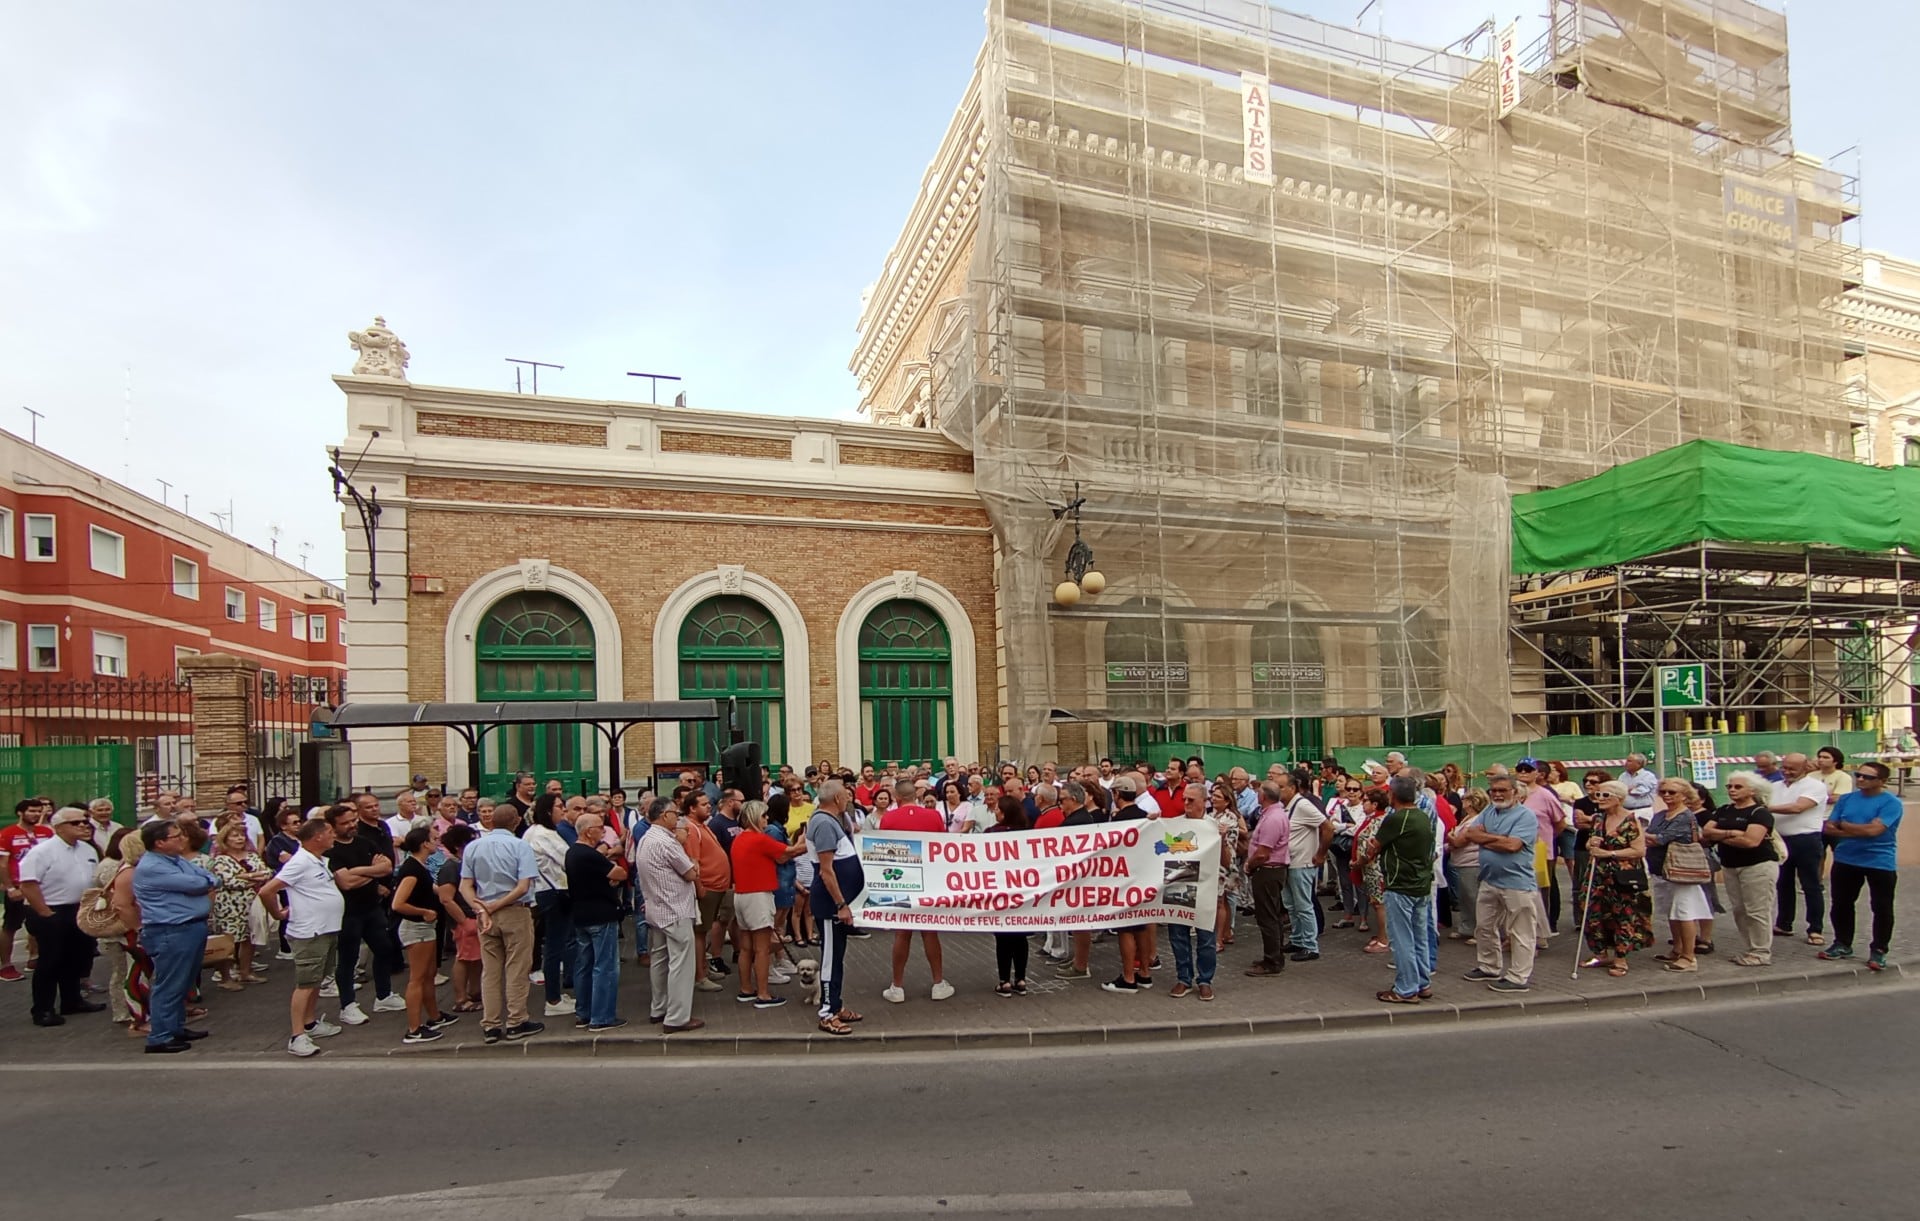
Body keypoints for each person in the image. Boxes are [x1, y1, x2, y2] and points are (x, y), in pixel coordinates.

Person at [257, 817, 346, 1057]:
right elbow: (267, 890)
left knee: (316, 980)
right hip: (310, 931)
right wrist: (278, 913)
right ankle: (297, 1036)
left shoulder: (317, 861)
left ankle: (310, 1022)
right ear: (317, 837)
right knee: (305, 983)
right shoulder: (300, 862)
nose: (332, 834)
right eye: (329, 831)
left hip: (326, 928)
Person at [131, 819, 219, 1052]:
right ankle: (160, 1036)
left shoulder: (176, 860)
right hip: (171, 930)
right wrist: (205, 882)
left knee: (184, 982)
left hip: (191, 927)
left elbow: (208, 876)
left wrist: (206, 881)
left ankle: (176, 1027)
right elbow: (197, 884)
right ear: (159, 843)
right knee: (169, 984)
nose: (183, 839)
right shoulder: (152, 866)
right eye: (176, 836)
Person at [459, 805, 544, 1043]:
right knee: (517, 968)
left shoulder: (473, 847)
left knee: (491, 970)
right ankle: (517, 1020)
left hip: (484, 914)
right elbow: (523, 886)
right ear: (516, 822)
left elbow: (465, 885)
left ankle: (491, 1024)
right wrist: (494, 906)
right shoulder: (520, 846)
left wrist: (481, 908)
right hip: (514, 911)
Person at [18, 808, 104, 1026]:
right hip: (51, 909)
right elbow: (28, 884)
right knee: (51, 961)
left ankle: (72, 1000)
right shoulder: (42, 852)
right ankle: (43, 1008)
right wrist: (45, 913)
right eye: (76, 823)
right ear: (59, 827)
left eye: (85, 822)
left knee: (77, 957)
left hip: (79, 908)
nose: (84, 826)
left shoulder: (87, 849)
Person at [1458, 776, 1539, 993]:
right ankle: (1489, 966)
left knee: (1520, 931)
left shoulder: (1526, 816)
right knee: (1484, 926)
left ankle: (1518, 977)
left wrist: (1485, 837)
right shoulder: (1489, 811)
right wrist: (1498, 838)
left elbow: (1513, 845)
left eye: (1502, 790)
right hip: (1489, 879)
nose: (1497, 794)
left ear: (1515, 792)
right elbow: (1471, 833)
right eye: (1493, 790)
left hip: (1517, 882)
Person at [1820, 761, 1903, 971]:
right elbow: (1830, 827)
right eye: (1859, 775)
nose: (1861, 779)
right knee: (1841, 904)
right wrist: (1858, 829)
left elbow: (1874, 831)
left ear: (1882, 781)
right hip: (1846, 859)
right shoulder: (1847, 799)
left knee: (1881, 907)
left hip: (1880, 861)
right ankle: (1842, 943)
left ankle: (1879, 950)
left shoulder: (1891, 803)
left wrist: (1846, 826)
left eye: (1867, 777)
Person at [324, 805, 403, 1024]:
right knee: (348, 960)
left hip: (372, 907)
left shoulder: (365, 843)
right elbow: (346, 883)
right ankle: (347, 1005)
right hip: (348, 913)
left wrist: (358, 871)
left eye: (353, 820)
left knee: (384, 949)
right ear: (333, 826)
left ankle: (384, 995)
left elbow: (386, 867)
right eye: (345, 823)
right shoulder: (331, 851)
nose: (352, 825)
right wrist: (371, 871)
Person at [878, 779, 953, 1003]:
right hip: (929, 878)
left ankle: (897, 986)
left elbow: (883, 852)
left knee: (902, 933)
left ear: (896, 798)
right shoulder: (934, 816)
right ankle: (938, 983)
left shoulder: (888, 818)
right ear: (916, 796)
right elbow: (942, 845)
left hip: (901, 880)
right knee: (930, 931)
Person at [634, 797, 703, 1033]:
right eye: (675, 813)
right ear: (664, 815)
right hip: (675, 909)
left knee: (661, 960)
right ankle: (677, 1017)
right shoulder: (667, 842)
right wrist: (694, 863)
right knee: (681, 964)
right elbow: (690, 873)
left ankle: (659, 1008)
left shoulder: (646, 838)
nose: (678, 817)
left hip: (657, 908)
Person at [1701, 772, 1779, 967]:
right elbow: (1707, 832)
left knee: (1757, 910)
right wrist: (1731, 833)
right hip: (1730, 865)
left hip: (1757, 865)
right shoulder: (1724, 810)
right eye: (1729, 787)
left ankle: (1761, 951)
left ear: (1752, 790)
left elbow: (1750, 841)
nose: (1732, 790)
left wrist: (1721, 836)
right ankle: (1750, 948)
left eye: (1737, 787)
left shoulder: (1759, 813)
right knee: (1739, 910)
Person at [729, 800, 801, 1009]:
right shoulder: (759, 839)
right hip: (758, 895)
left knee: (745, 947)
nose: (766, 819)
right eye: (763, 816)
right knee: (762, 948)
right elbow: (791, 851)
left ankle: (746, 989)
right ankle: (763, 994)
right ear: (754, 817)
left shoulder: (740, 839)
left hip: (741, 894)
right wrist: (806, 840)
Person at [807, 779, 865, 1035]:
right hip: (831, 906)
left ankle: (836, 1005)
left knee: (838, 957)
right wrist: (841, 904)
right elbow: (826, 871)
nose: (848, 799)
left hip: (838, 905)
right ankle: (827, 1013)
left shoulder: (830, 822)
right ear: (837, 799)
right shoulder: (824, 823)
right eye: (845, 796)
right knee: (830, 960)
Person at [1371, 774, 1436, 1004]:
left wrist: (1360, 861)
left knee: (1402, 939)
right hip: (1420, 884)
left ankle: (1406, 988)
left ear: (1393, 795)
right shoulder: (1422, 816)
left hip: (1400, 884)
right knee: (1419, 937)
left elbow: (1374, 847)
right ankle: (1422, 982)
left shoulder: (1397, 819)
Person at [563, 813, 628, 1031]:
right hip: (601, 915)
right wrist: (612, 874)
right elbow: (619, 872)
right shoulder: (589, 854)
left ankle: (584, 1013)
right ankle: (602, 1016)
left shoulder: (572, 853)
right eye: (600, 827)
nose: (603, 831)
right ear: (588, 831)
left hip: (581, 914)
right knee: (605, 967)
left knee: (585, 965)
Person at [388, 825, 452, 1044]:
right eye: (434, 839)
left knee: (428, 974)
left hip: (426, 928)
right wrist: (424, 912)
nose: (437, 842)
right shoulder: (412, 870)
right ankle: (414, 1028)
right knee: (417, 978)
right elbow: (398, 903)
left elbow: (434, 890)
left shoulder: (419, 866)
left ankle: (434, 1016)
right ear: (424, 843)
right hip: (416, 928)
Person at [1581, 781, 1653, 975]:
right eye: (1597, 795)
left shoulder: (1630, 820)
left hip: (1622, 875)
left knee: (1623, 914)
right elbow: (1591, 844)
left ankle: (1620, 958)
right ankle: (1601, 953)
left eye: (1605, 795)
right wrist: (1591, 844)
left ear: (1619, 799)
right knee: (1594, 912)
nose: (1600, 799)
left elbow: (1639, 850)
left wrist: (1610, 854)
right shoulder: (1597, 819)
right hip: (1598, 874)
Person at [1164, 786, 1223, 1000]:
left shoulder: (1214, 826)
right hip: (1179, 884)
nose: (1186, 804)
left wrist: (1222, 841)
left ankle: (1205, 979)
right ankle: (1184, 978)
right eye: (1184, 800)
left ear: (1204, 802)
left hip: (1205, 888)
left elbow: (1227, 860)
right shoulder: (1174, 824)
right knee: (1178, 935)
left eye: (1191, 800)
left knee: (1206, 936)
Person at [1647, 779, 1710, 973]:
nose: (1667, 795)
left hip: (1682, 871)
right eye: (1663, 792)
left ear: (1684, 795)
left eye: (1672, 792)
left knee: (1685, 913)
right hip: (1662, 870)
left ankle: (1689, 957)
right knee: (1671, 912)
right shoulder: (1660, 815)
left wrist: (1646, 836)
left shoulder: (1685, 816)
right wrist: (1650, 837)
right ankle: (1677, 948)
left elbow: (1660, 838)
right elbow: (1652, 836)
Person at [1769, 752, 1831, 947]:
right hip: (1780, 839)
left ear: (1805, 768)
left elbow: (1798, 807)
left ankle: (1815, 928)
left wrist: (1767, 808)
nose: (1786, 772)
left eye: (1792, 769)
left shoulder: (1816, 786)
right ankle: (1784, 923)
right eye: (1784, 767)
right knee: (1783, 884)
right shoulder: (1774, 787)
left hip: (1806, 839)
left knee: (1810, 884)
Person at [524, 794, 576, 1017]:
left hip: (545, 893)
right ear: (547, 811)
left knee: (555, 945)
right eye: (559, 806)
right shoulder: (544, 835)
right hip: (553, 893)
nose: (562, 810)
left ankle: (554, 995)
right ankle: (552, 1000)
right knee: (555, 946)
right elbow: (568, 859)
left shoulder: (532, 832)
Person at [677, 789, 734, 994]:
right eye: (703, 804)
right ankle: (700, 976)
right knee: (700, 933)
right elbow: (694, 863)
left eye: (708, 803)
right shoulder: (692, 829)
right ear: (691, 808)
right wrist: (700, 888)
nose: (708, 806)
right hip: (707, 888)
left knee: (705, 931)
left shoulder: (703, 826)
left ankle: (703, 969)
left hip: (716, 887)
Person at [0, 796, 54, 982]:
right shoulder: (8, 833)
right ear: (20, 813)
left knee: (43, 923)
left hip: (42, 887)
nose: (36, 814)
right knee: (11, 925)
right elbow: (3, 863)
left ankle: (36, 959)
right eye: (31, 811)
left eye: (38, 811)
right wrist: (9, 888)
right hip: (18, 887)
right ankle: (6, 966)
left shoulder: (46, 833)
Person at [1242, 780, 1292, 978]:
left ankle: (1272, 960)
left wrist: (1249, 864)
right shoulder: (1273, 814)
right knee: (1272, 914)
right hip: (1271, 870)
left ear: (1263, 797)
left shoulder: (1273, 818)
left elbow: (1263, 852)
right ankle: (1275, 955)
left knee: (1267, 916)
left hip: (1268, 870)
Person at [984, 795, 1033, 996]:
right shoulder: (1028, 834)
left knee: (1003, 937)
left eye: (998, 809)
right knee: (1021, 936)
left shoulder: (991, 833)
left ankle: (1004, 980)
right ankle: (1020, 979)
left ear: (1005, 813)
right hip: (1023, 890)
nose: (995, 811)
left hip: (1001, 891)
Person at [1278, 772, 1329, 962]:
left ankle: (1310, 945)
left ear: (1292, 788)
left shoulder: (1303, 805)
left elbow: (1327, 827)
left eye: (1281, 787)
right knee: (1291, 905)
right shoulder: (1287, 807)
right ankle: (1298, 939)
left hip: (1302, 863)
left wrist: (1320, 854)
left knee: (1303, 905)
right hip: (1290, 862)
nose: (1278, 790)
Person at [434, 824, 483, 1013]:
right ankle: (461, 998)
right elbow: (446, 899)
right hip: (465, 919)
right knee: (463, 958)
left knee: (475, 957)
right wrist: (463, 921)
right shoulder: (451, 867)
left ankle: (474, 991)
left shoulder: (463, 864)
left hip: (473, 916)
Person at [1444, 789, 1488, 942]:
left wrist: (1450, 838)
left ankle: (1479, 931)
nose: (1462, 803)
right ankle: (1467, 927)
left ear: (1470, 802)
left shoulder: (1476, 820)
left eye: (1464, 800)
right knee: (1465, 897)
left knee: (1473, 897)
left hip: (1472, 862)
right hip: (1461, 862)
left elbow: (1459, 841)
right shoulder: (1468, 818)